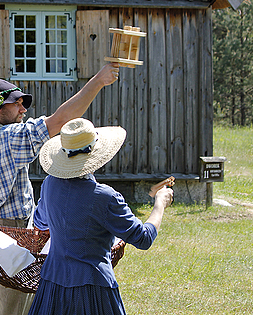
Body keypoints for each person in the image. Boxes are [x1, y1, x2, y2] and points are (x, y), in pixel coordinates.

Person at [0, 62, 120, 315]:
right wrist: (97, 81)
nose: (23, 108)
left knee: (14, 302)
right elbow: (62, 120)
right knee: (14, 310)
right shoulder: (9, 138)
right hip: (15, 235)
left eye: (24, 103)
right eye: (16, 103)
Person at [27, 118, 174, 315]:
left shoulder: (49, 184)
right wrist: (160, 203)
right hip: (93, 291)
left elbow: (40, 222)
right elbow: (143, 238)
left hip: (52, 285)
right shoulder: (105, 197)